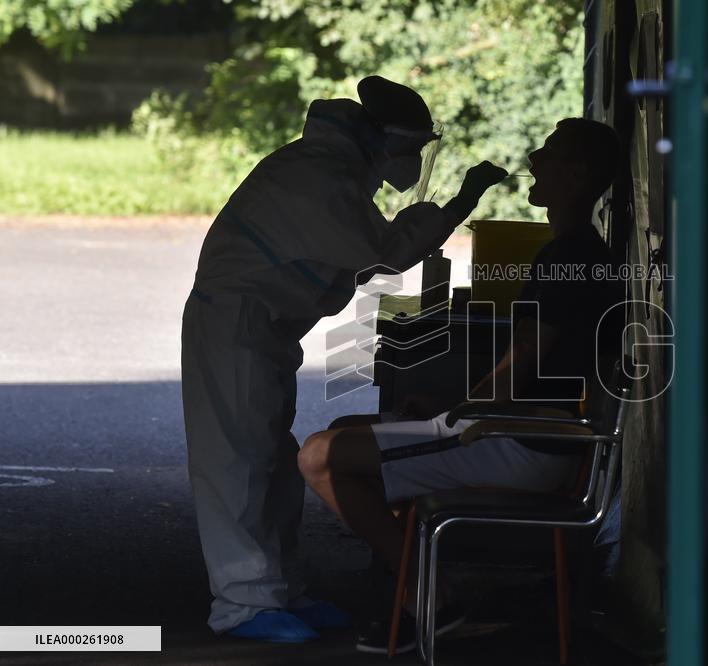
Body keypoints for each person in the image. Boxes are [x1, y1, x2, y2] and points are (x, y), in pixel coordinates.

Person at [181, 75, 507, 643]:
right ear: (379, 140)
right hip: (235, 323)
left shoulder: (337, 173)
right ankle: (242, 605)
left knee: (272, 461)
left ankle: (279, 591)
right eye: (409, 149)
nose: (410, 162)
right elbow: (386, 253)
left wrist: (457, 204)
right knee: (236, 463)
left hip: (265, 327)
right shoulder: (319, 178)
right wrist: (460, 203)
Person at [297, 117, 623, 654]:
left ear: (577, 174)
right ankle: (412, 590)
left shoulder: (569, 259)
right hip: (530, 434)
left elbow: (517, 369)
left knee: (320, 457)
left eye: (549, 152)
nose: (535, 160)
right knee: (345, 431)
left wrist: (451, 412)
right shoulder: (580, 253)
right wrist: (445, 409)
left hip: (521, 442)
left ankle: (430, 602)